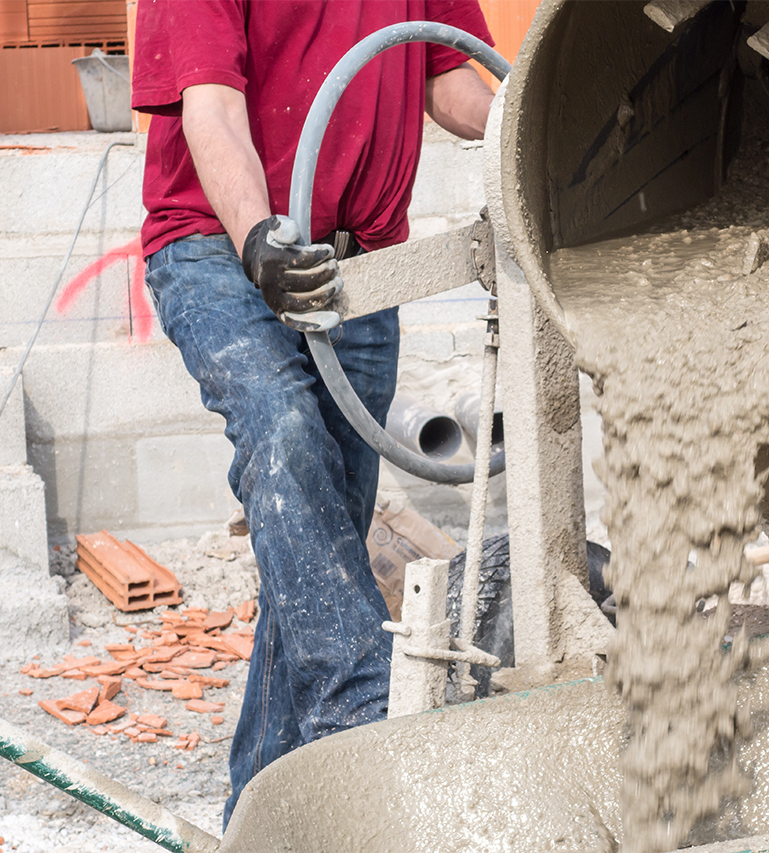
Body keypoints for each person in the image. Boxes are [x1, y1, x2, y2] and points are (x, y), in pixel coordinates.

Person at [130, 0, 496, 825]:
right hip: (219, 248)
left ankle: (258, 822)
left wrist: (534, 109)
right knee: (285, 435)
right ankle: (365, 711)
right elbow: (212, 108)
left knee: (318, 552)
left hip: (355, 268)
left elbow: (446, 80)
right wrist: (261, 235)